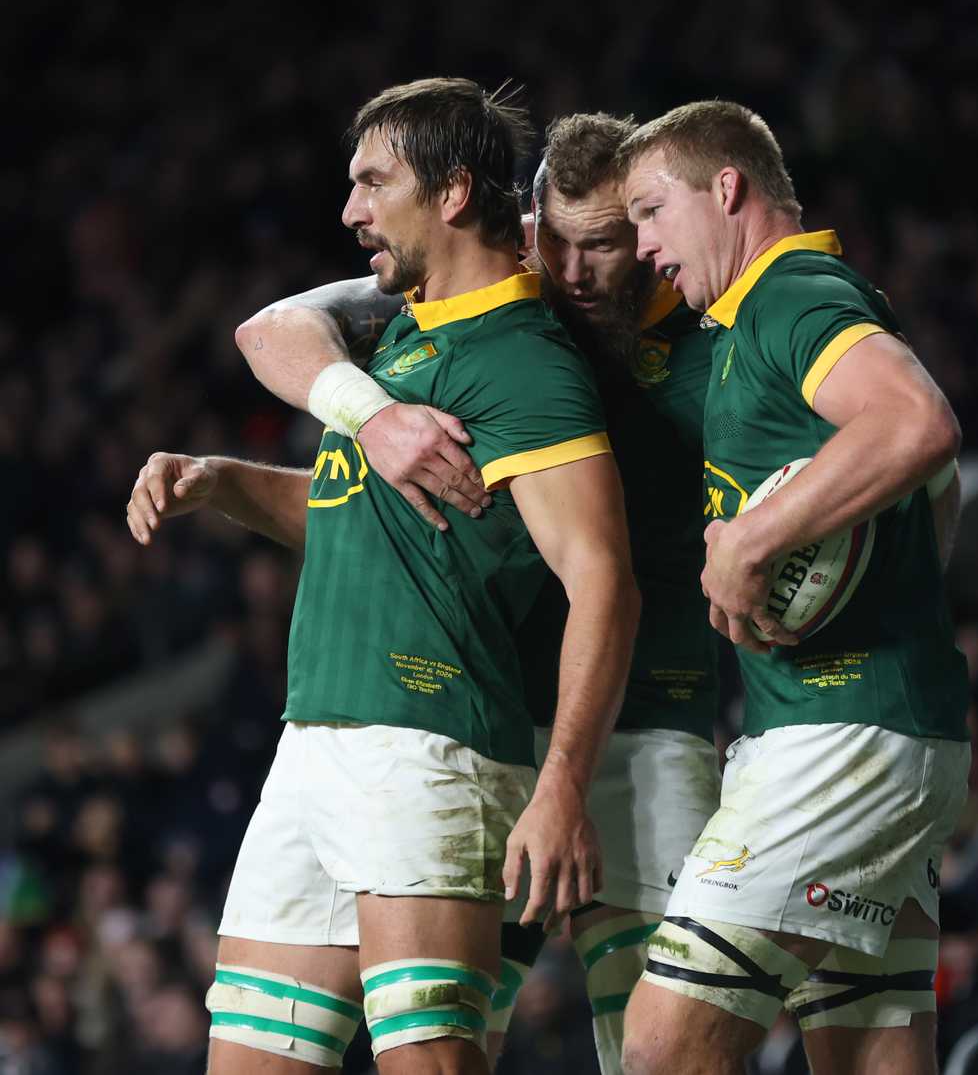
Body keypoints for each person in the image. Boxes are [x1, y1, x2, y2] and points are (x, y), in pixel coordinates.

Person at [126, 78, 640, 1075]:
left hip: (429, 749)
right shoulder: (403, 334)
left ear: (451, 194)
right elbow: (361, 516)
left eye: (372, 181)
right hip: (314, 742)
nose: (351, 209)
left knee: (430, 1062)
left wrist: (564, 782)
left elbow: (603, 579)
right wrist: (226, 483)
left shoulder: (524, 361)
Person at [234, 111, 723, 1075]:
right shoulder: (462, 321)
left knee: (659, 1055)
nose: (576, 271)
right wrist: (364, 418)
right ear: (525, 221)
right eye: (557, 240)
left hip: (640, 732)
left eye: (605, 245)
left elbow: (610, 578)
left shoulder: (712, 343)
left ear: (650, 236)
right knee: (456, 1036)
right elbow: (276, 327)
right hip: (500, 718)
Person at [617, 100, 969, 1075]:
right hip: (880, 724)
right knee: (868, 1052)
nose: (642, 246)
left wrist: (749, 543)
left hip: (842, 730)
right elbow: (938, 494)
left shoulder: (793, 294)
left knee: (663, 1041)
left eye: (650, 211)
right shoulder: (744, 325)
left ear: (726, 187)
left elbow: (915, 424)